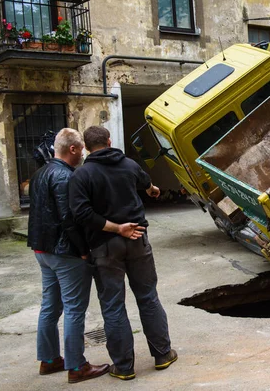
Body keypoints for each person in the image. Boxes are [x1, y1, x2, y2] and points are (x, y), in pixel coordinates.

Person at [69, 125, 177, 381]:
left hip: (105, 247)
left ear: (85, 147)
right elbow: (145, 182)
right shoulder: (128, 164)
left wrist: (115, 228)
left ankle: (124, 366)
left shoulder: (82, 176)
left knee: (113, 305)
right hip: (138, 240)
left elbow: (81, 214)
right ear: (109, 140)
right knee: (148, 296)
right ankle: (162, 355)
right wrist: (152, 189)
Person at [27, 128, 110, 384]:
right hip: (65, 253)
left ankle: (50, 359)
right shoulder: (65, 177)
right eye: (81, 149)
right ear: (72, 149)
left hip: (43, 250)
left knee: (50, 306)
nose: (83, 153)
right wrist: (83, 251)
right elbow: (69, 219)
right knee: (74, 309)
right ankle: (77, 366)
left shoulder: (41, 173)